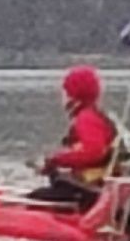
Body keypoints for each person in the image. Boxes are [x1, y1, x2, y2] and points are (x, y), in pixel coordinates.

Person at [31, 66, 118, 206]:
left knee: (37, 197)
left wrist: (56, 160)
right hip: (95, 185)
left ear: (74, 95)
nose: (62, 96)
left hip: (89, 190)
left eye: (65, 92)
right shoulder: (96, 115)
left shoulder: (86, 118)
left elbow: (94, 152)